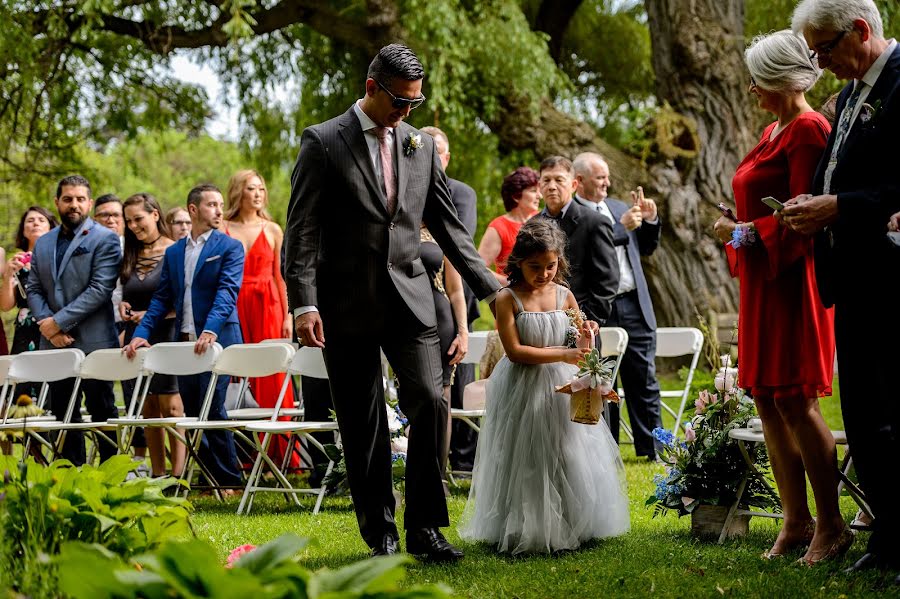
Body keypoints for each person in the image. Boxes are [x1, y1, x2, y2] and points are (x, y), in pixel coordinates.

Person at [285, 43, 500, 561]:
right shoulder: (323, 142)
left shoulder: (419, 146)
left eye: (415, 103)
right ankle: (380, 532)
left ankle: (426, 527)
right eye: (400, 101)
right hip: (345, 305)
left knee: (430, 400)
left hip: (411, 300)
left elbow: (449, 228)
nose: (407, 112)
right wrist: (305, 304)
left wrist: (495, 289)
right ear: (371, 88)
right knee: (362, 421)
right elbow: (302, 231)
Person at [711, 30, 847, 565]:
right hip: (763, 285)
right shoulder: (773, 129)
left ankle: (831, 524)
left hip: (793, 283)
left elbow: (804, 217)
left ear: (786, 79)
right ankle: (795, 521)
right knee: (767, 397)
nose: (751, 89)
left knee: (795, 397)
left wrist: (749, 232)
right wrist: (737, 224)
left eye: (759, 80)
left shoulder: (809, 130)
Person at [786, 0, 900, 577]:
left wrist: (840, 207)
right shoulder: (853, 91)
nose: (820, 60)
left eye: (825, 47)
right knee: (863, 417)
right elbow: (841, 170)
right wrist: (814, 200)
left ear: (861, 30)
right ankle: (887, 540)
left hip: (892, 278)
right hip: (850, 278)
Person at [458, 218, 630, 554]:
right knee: (527, 454)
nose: (544, 274)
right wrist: (565, 353)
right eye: (535, 266)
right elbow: (516, 352)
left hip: (562, 387)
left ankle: (572, 519)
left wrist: (586, 334)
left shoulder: (564, 295)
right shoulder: (507, 298)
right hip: (522, 386)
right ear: (518, 262)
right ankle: (526, 523)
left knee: (566, 450)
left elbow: (578, 342)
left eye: (551, 266)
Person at [124, 184, 243, 490]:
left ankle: (231, 481)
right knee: (192, 410)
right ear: (193, 209)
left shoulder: (230, 247)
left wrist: (211, 328)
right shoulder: (175, 252)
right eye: (211, 205)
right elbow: (161, 299)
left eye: (220, 204)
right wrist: (140, 334)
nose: (219, 210)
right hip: (185, 340)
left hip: (217, 339)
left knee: (213, 408)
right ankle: (209, 481)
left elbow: (227, 293)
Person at [573, 152, 664, 461]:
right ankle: (607, 450)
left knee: (644, 378)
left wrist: (650, 220)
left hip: (635, 302)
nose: (607, 183)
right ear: (581, 181)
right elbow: (581, 254)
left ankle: (654, 448)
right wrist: (622, 228)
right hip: (600, 307)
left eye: (607, 177)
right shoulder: (574, 216)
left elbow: (647, 248)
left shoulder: (618, 208)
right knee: (603, 379)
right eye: (600, 178)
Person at [26, 175, 122, 464]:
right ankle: (71, 474)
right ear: (57, 202)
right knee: (62, 412)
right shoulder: (43, 243)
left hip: (95, 340)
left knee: (102, 409)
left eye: (80, 199)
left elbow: (100, 289)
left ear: (90, 203)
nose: (74, 204)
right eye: (68, 199)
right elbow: (33, 287)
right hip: (54, 343)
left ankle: (111, 474)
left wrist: (58, 322)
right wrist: (47, 324)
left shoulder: (105, 238)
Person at [223, 169, 298, 468]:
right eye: (250, 189)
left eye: (260, 189)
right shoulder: (224, 228)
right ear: (238, 192)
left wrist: (288, 315)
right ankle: (242, 454)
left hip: (268, 304)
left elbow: (282, 276)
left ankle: (280, 455)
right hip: (234, 304)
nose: (257, 194)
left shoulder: (273, 229)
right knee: (237, 374)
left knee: (271, 375)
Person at [420, 125, 480, 473]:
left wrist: (462, 329)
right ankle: (404, 470)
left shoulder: (455, 204)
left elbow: (456, 283)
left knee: (442, 398)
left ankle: (438, 475)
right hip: (400, 316)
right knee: (407, 398)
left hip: (441, 311)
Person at [120, 193, 186, 478]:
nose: (133, 225)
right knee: (148, 409)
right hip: (137, 336)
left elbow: (182, 298)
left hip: (168, 332)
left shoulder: (177, 249)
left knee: (171, 407)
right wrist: (123, 306)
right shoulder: (130, 255)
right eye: (129, 221)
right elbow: (126, 293)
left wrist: (149, 314)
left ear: (155, 215)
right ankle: (158, 476)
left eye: (139, 219)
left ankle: (178, 476)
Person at [538, 156, 618, 328]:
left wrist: (588, 319)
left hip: (581, 324)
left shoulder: (595, 222)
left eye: (559, 180)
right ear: (539, 186)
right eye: (546, 180)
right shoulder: (530, 225)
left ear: (574, 185)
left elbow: (608, 280)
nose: (552, 186)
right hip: (538, 323)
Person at [1, 206, 58, 399]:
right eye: (30, 221)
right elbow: (6, 305)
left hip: (52, 323)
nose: (35, 223)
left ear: (51, 227)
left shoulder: (59, 257)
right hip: (25, 328)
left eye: (41, 220)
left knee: (52, 381)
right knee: (22, 382)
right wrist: (8, 275)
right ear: (23, 230)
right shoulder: (16, 261)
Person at [478, 167, 541, 286]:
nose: (540, 196)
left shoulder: (543, 219)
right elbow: (479, 267)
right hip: (512, 298)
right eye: (533, 191)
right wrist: (510, 283)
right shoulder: (499, 227)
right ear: (516, 196)